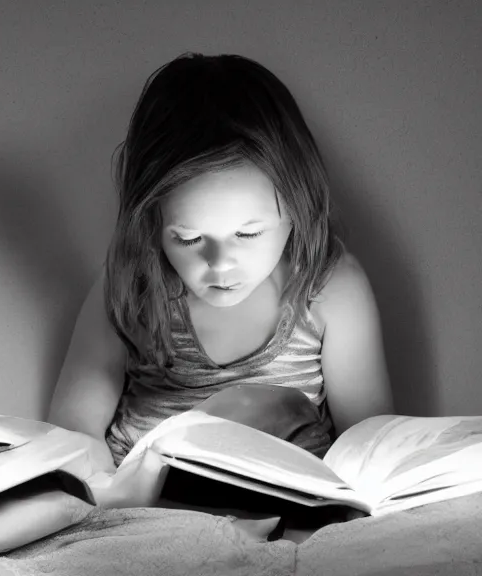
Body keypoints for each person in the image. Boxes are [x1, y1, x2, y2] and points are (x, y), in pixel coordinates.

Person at [48, 53, 394, 515]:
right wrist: (103, 493)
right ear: (152, 222)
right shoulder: (131, 284)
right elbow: (72, 436)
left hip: (289, 517)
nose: (220, 262)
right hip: (143, 518)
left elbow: (370, 444)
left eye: (248, 234)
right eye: (188, 238)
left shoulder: (331, 288)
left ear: (296, 211)